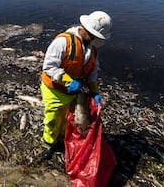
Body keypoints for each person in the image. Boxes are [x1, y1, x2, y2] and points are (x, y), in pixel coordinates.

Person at [40, 10, 112, 160]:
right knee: (53, 118)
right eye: (92, 35)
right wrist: (67, 81)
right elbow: (48, 66)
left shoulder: (93, 49)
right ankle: (48, 144)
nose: (93, 39)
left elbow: (93, 71)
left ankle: (61, 139)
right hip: (54, 89)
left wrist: (94, 91)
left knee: (67, 118)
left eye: (96, 37)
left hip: (73, 91)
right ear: (85, 28)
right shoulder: (63, 41)